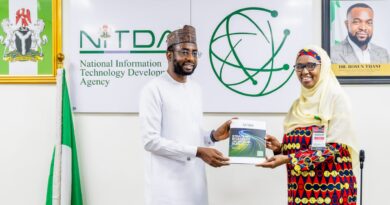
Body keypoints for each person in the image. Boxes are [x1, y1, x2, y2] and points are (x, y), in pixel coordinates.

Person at [139, 25, 232, 205]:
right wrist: (197, 152)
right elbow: (150, 141)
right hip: (166, 189)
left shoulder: (195, 88)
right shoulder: (153, 89)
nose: (190, 58)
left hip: (195, 186)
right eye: (184, 52)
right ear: (169, 55)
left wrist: (213, 136)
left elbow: (188, 134)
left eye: (195, 53)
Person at [258, 45, 359, 205]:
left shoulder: (337, 98)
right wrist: (280, 148)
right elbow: (303, 146)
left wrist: (288, 158)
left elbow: (334, 147)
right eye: (299, 66)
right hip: (300, 191)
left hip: (332, 190)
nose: (304, 71)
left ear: (324, 67)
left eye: (311, 65)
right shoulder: (297, 105)